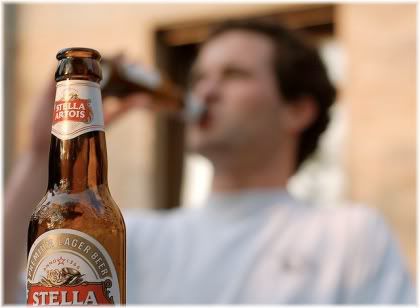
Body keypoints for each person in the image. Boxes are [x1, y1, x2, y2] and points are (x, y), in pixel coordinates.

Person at [4, 19, 415, 304]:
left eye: (233, 75)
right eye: (199, 77)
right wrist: (41, 154)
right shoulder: (139, 237)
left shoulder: (349, 236)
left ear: (297, 110)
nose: (207, 90)